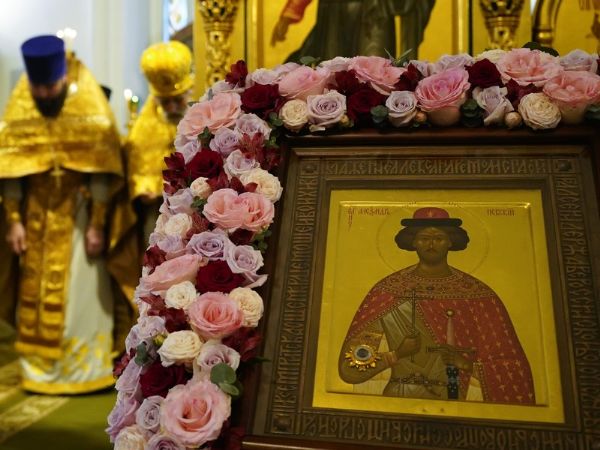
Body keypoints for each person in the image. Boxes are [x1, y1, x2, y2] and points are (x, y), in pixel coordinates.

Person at [0, 35, 124, 394]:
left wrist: (97, 224)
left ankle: (83, 371)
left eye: (49, 87)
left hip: (78, 216)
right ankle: (39, 372)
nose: (42, 95)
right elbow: (12, 170)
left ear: (63, 78)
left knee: (80, 297)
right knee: (34, 294)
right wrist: (13, 220)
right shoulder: (22, 104)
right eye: (37, 88)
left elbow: (101, 170)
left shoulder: (88, 103)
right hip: (35, 216)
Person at [338, 207, 536, 405]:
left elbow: (511, 366)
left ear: (450, 241)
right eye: (424, 238)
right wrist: (396, 355)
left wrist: (466, 365)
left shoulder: (477, 294)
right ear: (413, 242)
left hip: (455, 400)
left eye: (439, 238)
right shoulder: (388, 292)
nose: (431, 244)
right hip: (398, 399)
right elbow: (350, 368)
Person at [124, 40, 194, 246]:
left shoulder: (201, 115)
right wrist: (145, 186)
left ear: (189, 92)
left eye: (178, 100)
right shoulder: (145, 127)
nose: (171, 108)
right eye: (165, 102)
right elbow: (138, 156)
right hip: (157, 211)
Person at [271, 0, 436, 61]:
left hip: (375, 16)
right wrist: (289, 14)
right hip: (334, 17)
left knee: (374, 74)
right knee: (332, 77)